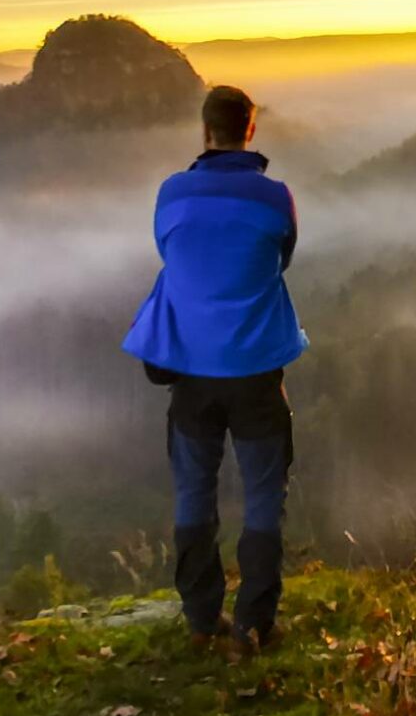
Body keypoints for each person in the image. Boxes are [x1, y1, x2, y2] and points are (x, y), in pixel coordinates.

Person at [119, 84, 307, 650]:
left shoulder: (171, 194)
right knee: (262, 495)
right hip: (255, 370)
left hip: (192, 372)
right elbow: (283, 257)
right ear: (251, 130)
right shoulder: (276, 198)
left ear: (205, 132)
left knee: (193, 496)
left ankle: (202, 619)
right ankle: (253, 623)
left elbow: (171, 254)